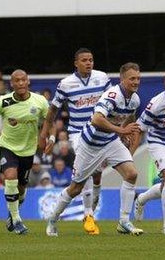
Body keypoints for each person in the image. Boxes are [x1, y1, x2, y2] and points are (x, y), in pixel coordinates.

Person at [46, 62, 143, 237]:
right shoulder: (112, 95)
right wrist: (121, 130)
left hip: (110, 142)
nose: (136, 82)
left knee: (131, 174)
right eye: (132, 79)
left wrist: (123, 132)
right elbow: (96, 120)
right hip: (90, 144)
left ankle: (124, 222)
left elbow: (130, 116)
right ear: (122, 79)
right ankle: (53, 219)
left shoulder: (135, 99)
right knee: (75, 188)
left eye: (138, 78)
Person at [40, 48, 111, 235]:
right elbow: (52, 111)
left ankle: (100, 215)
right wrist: (50, 135)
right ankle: (87, 215)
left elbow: (114, 101)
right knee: (87, 172)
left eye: (91, 59)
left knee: (97, 174)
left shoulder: (102, 78)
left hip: (100, 132)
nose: (89, 63)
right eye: (85, 60)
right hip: (78, 133)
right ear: (76, 63)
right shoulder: (66, 84)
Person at [0, 69, 49, 234]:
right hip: (7, 147)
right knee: (10, 177)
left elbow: (49, 119)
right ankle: (17, 220)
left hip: (28, 150)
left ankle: (12, 212)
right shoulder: (3, 102)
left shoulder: (40, 101)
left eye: (23, 80)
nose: (21, 83)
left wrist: (47, 137)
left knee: (22, 188)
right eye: (17, 81)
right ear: (12, 84)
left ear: (28, 81)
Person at [129, 69, 165, 236]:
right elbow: (139, 128)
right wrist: (129, 155)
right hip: (158, 142)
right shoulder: (156, 103)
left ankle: (141, 199)